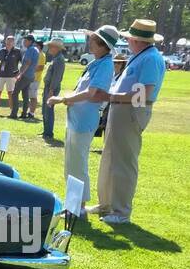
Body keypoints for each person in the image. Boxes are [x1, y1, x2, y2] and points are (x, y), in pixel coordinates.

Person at [94, 18, 167, 225]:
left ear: (138, 41)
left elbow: (145, 92)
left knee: (123, 162)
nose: (127, 42)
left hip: (131, 111)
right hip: (120, 110)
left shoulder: (151, 58)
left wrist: (112, 97)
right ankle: (106, 204)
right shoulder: (141, 56)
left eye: (129, 38)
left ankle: (121, 211)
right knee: (109, 158)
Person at [46, 24, 118, 209]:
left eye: (93, 40)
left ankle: (80, 205)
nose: (90, 43)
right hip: (76, 119)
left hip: (84, 121)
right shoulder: (97, 62)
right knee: (71, 163)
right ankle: (73, 203)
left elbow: (92, 92)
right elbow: (83, 90)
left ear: (102, 44)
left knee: (78, 164)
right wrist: (70, 99)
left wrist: (63, 98)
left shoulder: (105, 64)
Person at [40, 37, 67, 142]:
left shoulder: (59, 60)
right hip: (48, 87)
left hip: (52, 88)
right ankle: (45, 131)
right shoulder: (55, 58)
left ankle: (48, 132)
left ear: (57, 48)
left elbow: (56, 77)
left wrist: (51, 90)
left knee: (48, 110)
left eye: (51, 46)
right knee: (44, 109)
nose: (49, 48)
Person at [9, 34, 38, 120]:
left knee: (14, 93)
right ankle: (24, 113)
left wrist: (20, 74)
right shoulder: (35, 49)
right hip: (31, 75)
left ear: (30, 41)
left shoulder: (30, 50)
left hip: (25, 75)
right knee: (25, 95)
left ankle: (14, 113)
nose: (24, 42)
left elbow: (27, 63)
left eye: (25, 41)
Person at [0, 35, 20, 115]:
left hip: (11, 75)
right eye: (8, 40)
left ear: (14, 42)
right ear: (5, 41)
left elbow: (22, 62)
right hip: (1, 74)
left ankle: (12, 111)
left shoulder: (17, 51)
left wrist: (18, 73)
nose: (9, 42)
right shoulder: (2, 50)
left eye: (11, 41)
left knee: (10, 93)